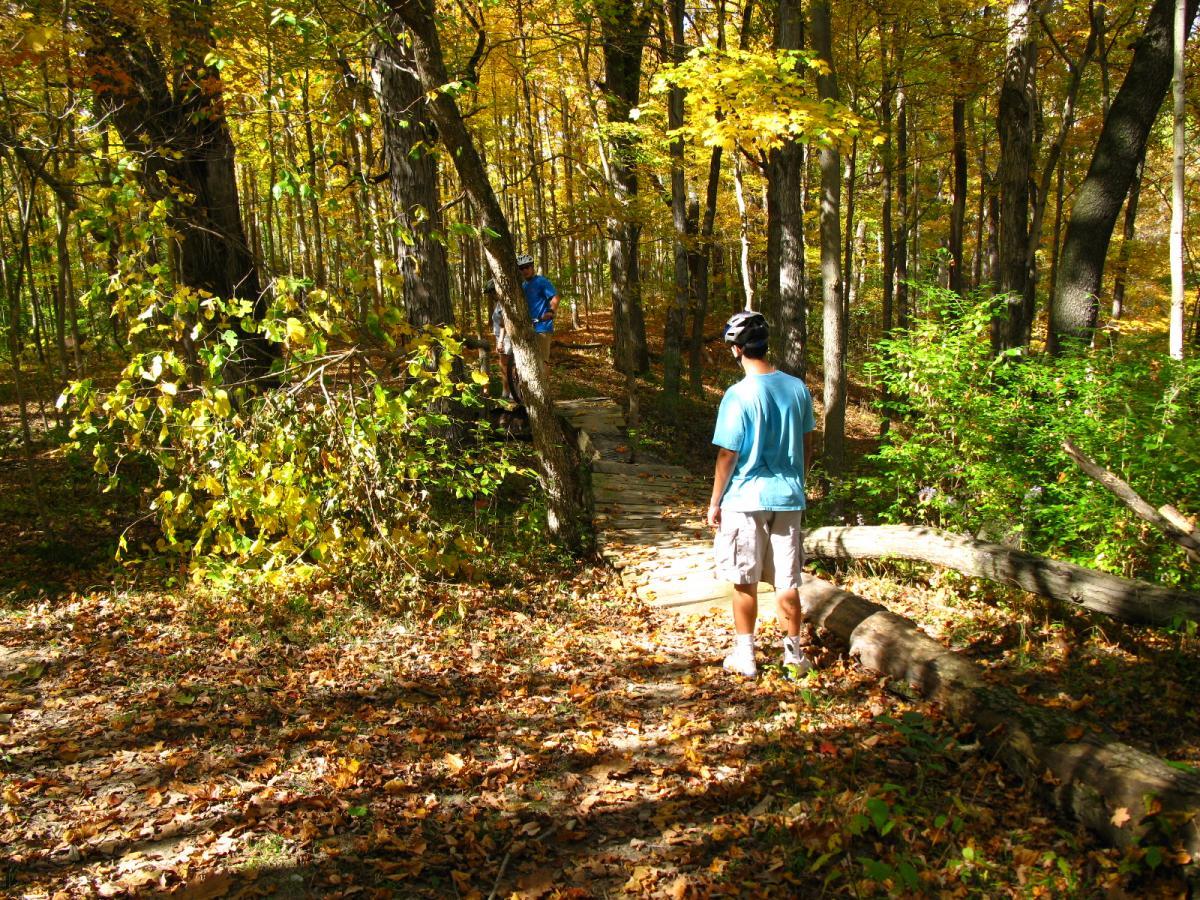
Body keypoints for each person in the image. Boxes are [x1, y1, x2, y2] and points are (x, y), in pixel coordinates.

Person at [707, 310, 817, 679]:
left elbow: (727, 454)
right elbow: (806, 443)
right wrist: (798, 481)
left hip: (743, 499)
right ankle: (793, 656)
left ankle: (746, 656)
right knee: (788, 582)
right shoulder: (797, 388)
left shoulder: (737, 395)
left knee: (744, 580)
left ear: (737, 350)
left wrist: (715, 501)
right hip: (788, 497)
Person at [517, 253, 558, 377]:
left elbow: (555, 297)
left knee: (543, 361)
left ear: (532, 267)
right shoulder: (523, 286)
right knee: (530, 361)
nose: (525, 270)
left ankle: (544, 390)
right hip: (528, 327)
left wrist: (551, 311)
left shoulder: (541, 281)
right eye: (522, 268)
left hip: (542, 327)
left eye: (527, 267)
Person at [486, 279, 514, 401]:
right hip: (502, 337)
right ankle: (507, 391)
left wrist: (501, 341)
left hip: (506, 337)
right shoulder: (499, 303)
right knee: (504, 365)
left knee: (508, 365)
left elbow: (504, 323)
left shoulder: (504, 303)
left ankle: (511, 392)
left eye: (492, 292)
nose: (491, 295)